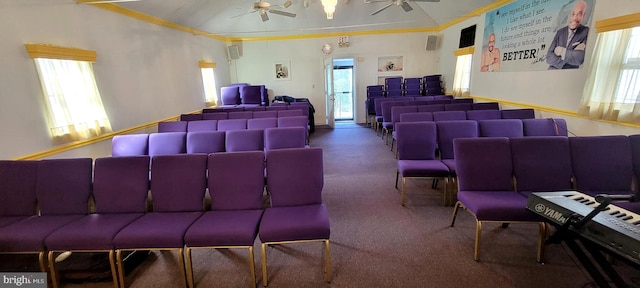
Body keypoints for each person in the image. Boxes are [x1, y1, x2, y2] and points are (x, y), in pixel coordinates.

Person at [547, 0, 589, 69]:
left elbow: (579, 59)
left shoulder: (585, 32)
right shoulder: (560, 32)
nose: (575, 18)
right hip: (551, 72)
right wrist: (571, 54)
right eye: (573, 14)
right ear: (569, 14)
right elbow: (549, 58)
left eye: (579, 14)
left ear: (584, 16)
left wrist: (562, 51)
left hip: (569, 75)